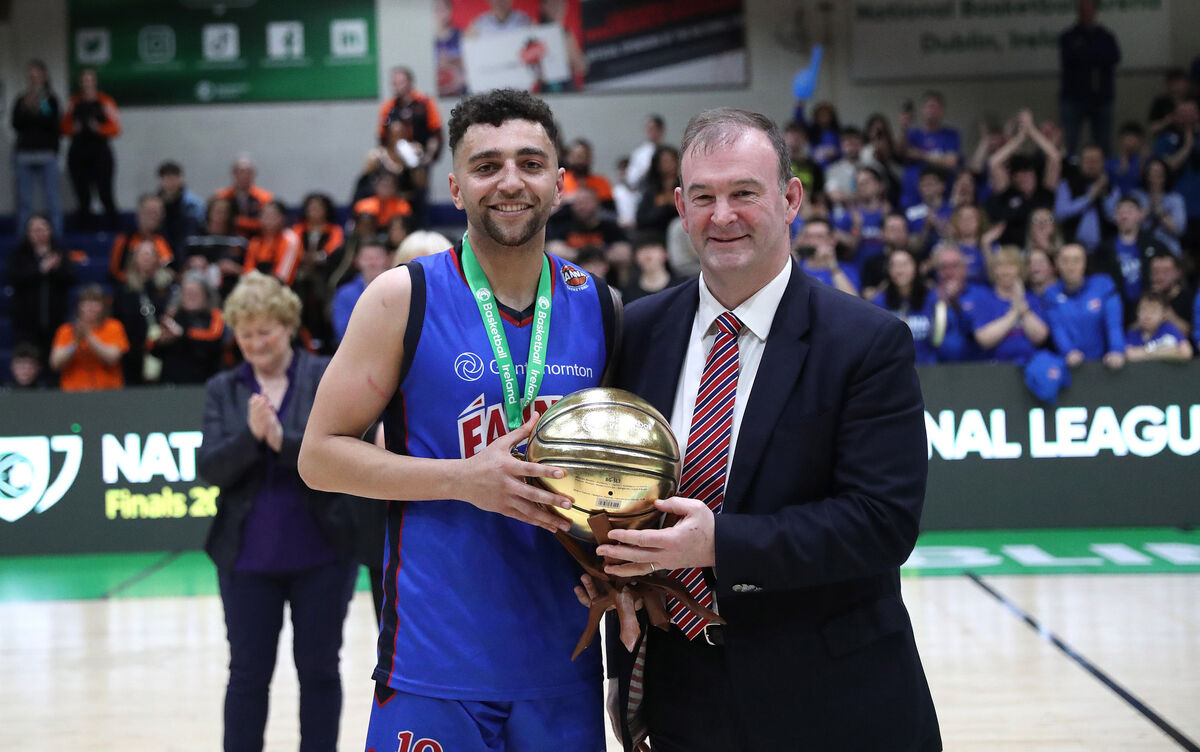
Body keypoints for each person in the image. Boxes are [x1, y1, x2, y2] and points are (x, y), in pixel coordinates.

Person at [595, 107, 940, 751]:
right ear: (678, 206)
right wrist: (625, 667)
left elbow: (882, 522)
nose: (722, 215)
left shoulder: (867, 342)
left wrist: (718, 544)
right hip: (681, 698)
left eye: (744, 193)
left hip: (835, 702)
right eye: (704, 196)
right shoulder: (635, 331)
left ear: (791, 198)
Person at [297, 88, 620, 752]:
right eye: (487, 165)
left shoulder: (603, 307)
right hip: (433, 665)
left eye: (531, 163)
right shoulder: (401, 297)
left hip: (564, 662)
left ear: (560, 183)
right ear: (455, 186)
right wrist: (463, 479)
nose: (510, 181)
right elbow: (319, 456)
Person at [196, 271, 358, 752]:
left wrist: (279, 440)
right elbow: (209, 467)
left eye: (264, 331)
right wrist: (250, 437)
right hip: (247, 558)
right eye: (245, 334)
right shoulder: (224, 388)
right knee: (247, 674)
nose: (254, 343)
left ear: (288, 325)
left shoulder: (324, 373)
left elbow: (343, 452)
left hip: (323, 552)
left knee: (320, 670)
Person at [6, 214, 75, 364]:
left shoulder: (60, 252)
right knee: (28, 360)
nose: (39, 233)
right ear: (28, 233)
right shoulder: (19, 254)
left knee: (52, 361)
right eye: (35, 230)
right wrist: (39, 269)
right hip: (26, 322)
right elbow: (12, 278)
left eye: (43, 229)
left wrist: (56, 269)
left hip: (55, 319)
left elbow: (72, 278)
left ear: (50, 231)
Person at [1043, 243, 1125, 370]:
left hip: (1103, 365)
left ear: (1085, 263)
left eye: (1076, 260)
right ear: (1057, 264)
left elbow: (1113, 324)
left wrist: (1117, 349)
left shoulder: (1103, 285)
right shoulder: (1051, 294)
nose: (1071, 266)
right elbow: (1057, 327)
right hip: (1070, 366)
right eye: (1065, 261)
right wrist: (1068, 352)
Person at [965, 246, 1050, 364]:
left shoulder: (1032, 298)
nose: (1006, 271)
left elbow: (1040, 337)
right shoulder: (984, 300)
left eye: (1011, 266)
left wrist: (1022, 306)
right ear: (994, 271)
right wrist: (1014, 313)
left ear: (1019, 270)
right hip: (996, 366)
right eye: (1000, 266)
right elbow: (984, 339)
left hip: (1029, 364)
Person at [1058, 0, 1120, 157]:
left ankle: (1103, 176)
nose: (1085, 12)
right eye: (1082, 9)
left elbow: (1113, 58)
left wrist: (1088, 54)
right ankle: (1070, 174)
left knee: (1103, 142)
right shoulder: (1069, 36)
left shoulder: (1105, 36)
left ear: (1095, 10)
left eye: (1089, 8)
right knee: (1070, 141)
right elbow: (1071, 59)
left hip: (1101, 96)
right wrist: (1095, 55)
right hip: (1073, 96)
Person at [61, 67, 120, 230]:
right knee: (82, 196)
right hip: (79, 152)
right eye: (84, 80)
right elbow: (64, 126)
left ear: (95, 82)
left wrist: (99, 129)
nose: (87, 84)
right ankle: (85, 231)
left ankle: (112, 230)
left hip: (100, 152)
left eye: (90, 80)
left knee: (105, 194)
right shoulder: (73, 102)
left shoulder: (106, 101)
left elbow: (115, 128)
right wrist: (74, 129)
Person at [10, 59, 63, 236]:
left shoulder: (50, 99)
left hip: (46, 153)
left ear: (44, 76)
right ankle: (23, 242)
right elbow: (16, 124)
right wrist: (25, 109)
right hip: (24, 154)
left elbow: (52, 122)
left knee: (52, 201)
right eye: (30, 76)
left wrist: (40, 103)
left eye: (37, 75)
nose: (33, 79)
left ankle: (56, 240)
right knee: (25, 202)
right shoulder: (21, 99)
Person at [150, 271, 226, 385]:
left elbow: (214, 341)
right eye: (186, 293)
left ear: (205, 295)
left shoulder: (215, 316)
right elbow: (153, 350)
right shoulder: (173, 316)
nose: (190, 297)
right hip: (172, 383)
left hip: (203, 382)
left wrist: (183, 333)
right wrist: (162, 341)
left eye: (195, 293)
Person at [49, 284, 130, 391]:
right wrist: (75, 343)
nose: (91, 307)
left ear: (103, 306)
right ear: (79, 306)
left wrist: (88, 336)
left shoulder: (114, 327)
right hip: (74, 393)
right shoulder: (66, 330)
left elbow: (112, 358)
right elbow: (55, 363)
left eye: (96, 302)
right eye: (86, 303)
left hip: (108, 392)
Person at [871, 247, 940, 365]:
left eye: (904, 264)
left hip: (928, 367)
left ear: (915, 267)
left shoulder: (931, 298)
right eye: (894, 265)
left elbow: (940, 336)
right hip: (894, 370)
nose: (899, 270)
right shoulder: (879, 301)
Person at [330, 242, 391, 344]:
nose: (373, 262)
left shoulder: (400, 290)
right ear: (357, 261)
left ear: (387, 259)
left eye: (377, 257)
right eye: (367, 258)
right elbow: (343, 332)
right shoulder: (345, 294)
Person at [109, 193, 173, 283]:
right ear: (139, 213)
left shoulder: (167, 240)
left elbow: (171, 269)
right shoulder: (124, 240)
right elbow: (115, 271)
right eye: (150, 212)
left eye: (158, 212)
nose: (154, 216)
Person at [242, 201, 302, 286]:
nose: (267, 219)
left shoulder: (291, 239)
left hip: (281, 289)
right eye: (264, 215)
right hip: (254, 286)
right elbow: (248, 272)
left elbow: (283, 277)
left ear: (282, 218)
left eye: (272, 215)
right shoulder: (255, 241)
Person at [156, 161, 207, 256]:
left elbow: (200, 228)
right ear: (161, 180)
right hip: (162, 245)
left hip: (186, 246)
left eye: (174, 177)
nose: (171, 182)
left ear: (180, 178)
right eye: (167, 178)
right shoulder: (155, 203)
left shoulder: (194, 204)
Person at [215, 156, 275, 237]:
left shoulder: (264, 197)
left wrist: (238, 222)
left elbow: (268, 223)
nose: (245, 176)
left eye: (249, 172)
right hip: (228, 239)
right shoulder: (222, 197)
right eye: (241, 172)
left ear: (254, 174)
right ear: (233, 173)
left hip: (257, 239)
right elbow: (217, 221)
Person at [1125, 292, 1193, 362]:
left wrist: (1143, 353)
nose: (1147, 316)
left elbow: (1187, 352)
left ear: (1163, 315)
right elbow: (1130, 354)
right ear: (1137, 312)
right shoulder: (1133, 333)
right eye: (1143, 310)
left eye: (1153, 311)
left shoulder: (1169, 329)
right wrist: (1162, 352)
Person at [625, 114, 666, 189]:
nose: (650, 132)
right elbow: (631, 179)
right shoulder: (639, 154)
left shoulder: (668, 151)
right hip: (647, 190)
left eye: (653, 128)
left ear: (661, 130)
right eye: (648, 129)